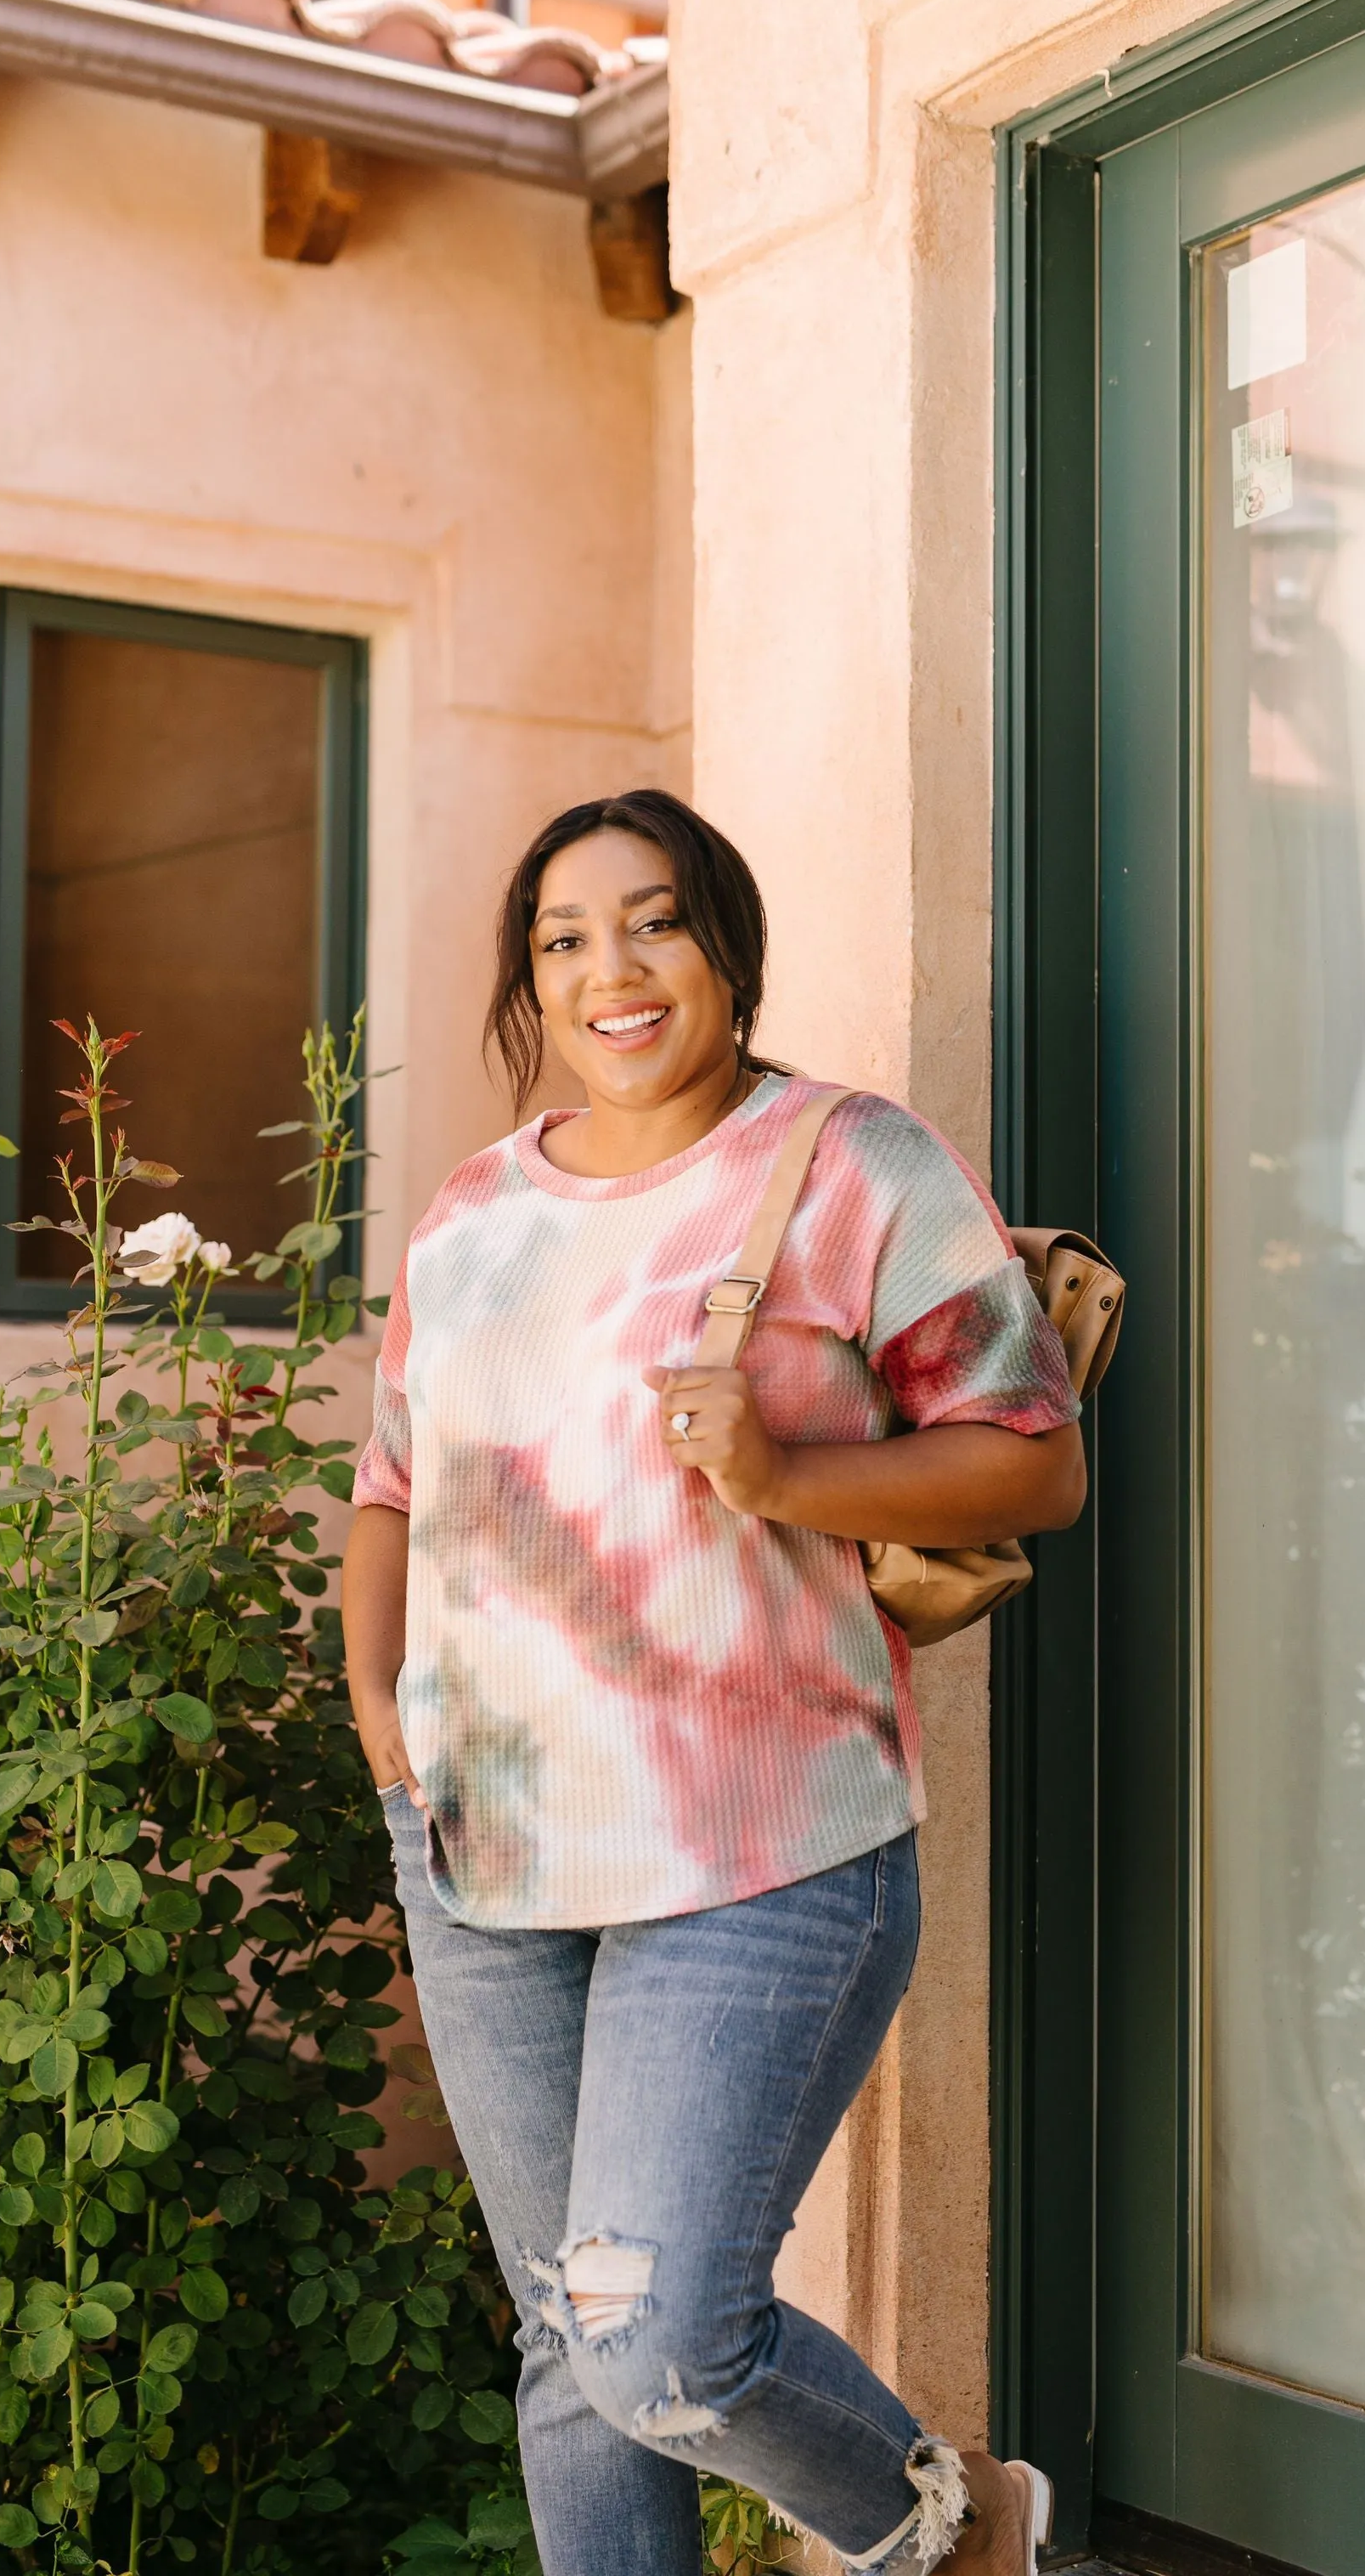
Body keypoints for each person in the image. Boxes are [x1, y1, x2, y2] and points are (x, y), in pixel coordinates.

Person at [343, 789, 1085, 2575]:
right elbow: (389, 1487)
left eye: (653, 920)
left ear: (726, 948)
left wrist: (787, 1479)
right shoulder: (472, 1210)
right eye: (564, 937)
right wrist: (384, 1727)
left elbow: (1034, 1458)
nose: (612, 968)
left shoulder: (848, 1161)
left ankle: (952, 2523)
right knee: (562, 2346)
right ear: (533, 980)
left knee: (655, 2337)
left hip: (759, 1851)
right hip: (483, 1853)